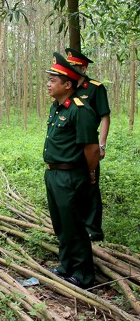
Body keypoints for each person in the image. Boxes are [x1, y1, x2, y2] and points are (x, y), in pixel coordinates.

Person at [44, 52, 100, 289]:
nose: (48, 84)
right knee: (61, 224)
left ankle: (84, 274)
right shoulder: (56, 108)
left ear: (68, 85)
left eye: (54, 81)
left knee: (75, 225)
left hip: (71, 175)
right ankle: (66, 266)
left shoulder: (80, 110)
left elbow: (92, 149)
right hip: (54, 173)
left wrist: (88, 174)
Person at [65, 47, 111, 242]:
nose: (70, 69)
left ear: (82, 68)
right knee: (74, 186)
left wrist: (101, 144)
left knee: (91, 185)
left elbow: (105, 117)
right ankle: (78, 225)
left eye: (73, 66)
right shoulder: (69, 87)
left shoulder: (95, 88)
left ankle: (94, 230)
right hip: (71, 146)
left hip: (89, 144)